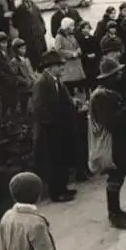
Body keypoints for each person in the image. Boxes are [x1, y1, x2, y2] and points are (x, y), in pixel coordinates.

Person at [89, 57, 126, 230]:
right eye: (117, 72)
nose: (121, 74)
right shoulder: (100, 96)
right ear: (109, 76)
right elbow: (111, 122)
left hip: (120, 143)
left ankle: (117, 210)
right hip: (112, 146)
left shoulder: (110, 92)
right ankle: (114, 216)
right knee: (115, 177)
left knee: (119, 177)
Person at [32, 50, 81, 202]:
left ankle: (63, 188)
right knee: (53, 161)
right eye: (59, 65)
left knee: (62, 159)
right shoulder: (41, 84)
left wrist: (73, 105)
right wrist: (54, 124)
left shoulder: (57, 82)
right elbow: (40, 108)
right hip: (49, 131)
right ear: (49, 67)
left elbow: (65, 103)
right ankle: (56, 192)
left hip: (60, 129)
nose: (62, 68)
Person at [12, 0, 47, 72]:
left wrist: (43, 28)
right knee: (31, 61)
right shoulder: (19, 9)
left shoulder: (35, 6)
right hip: (28, 39)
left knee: (42, 59)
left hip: (39, 37)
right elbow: (15, 23)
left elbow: (40, 19)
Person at [0, 31, 18, 118]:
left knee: (13, 101)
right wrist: (3, 77)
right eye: (2, 43)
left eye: (6, 43)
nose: (5, 45)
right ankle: (4, 122)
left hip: (11, 80)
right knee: (6, 102)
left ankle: (12, 120)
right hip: (3, 82)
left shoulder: (6, 52)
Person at [54, 17, 86, 96]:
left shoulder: (72, 35)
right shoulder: (59, 37)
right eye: (72, 26)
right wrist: (71, 54)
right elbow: (58, 50)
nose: (73, 27)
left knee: (79, 83)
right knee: (69, 85)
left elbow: (77, 45)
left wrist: (79, 50)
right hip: (68, 66)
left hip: (76, 64)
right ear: (67, 27)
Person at [10, 38, 38, 116]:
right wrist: (24, 81)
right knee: (23, 102)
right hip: (22, 87)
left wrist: (34, 78)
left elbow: (30, 71)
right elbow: (15, 75)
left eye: (24, 48)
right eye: (21, 48)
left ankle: (31, 113)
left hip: (31, 83)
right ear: (16, 50)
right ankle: (23, 116)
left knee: (33, 99)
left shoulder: (27, 59)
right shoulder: (14, 61)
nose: (24, 50)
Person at [76, 21, 100, 95]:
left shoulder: (93, 38)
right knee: (86, 79)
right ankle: (87, 95)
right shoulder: (79, 40)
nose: (87, 30)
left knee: (94, 79)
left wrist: (95, 55)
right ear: (81, 30)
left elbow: (97, 49)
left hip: (93, 62)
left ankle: (95, 93)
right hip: (85, 63)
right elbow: (80, 51)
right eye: (85, 28)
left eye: (88, 28)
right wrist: (86, 56)